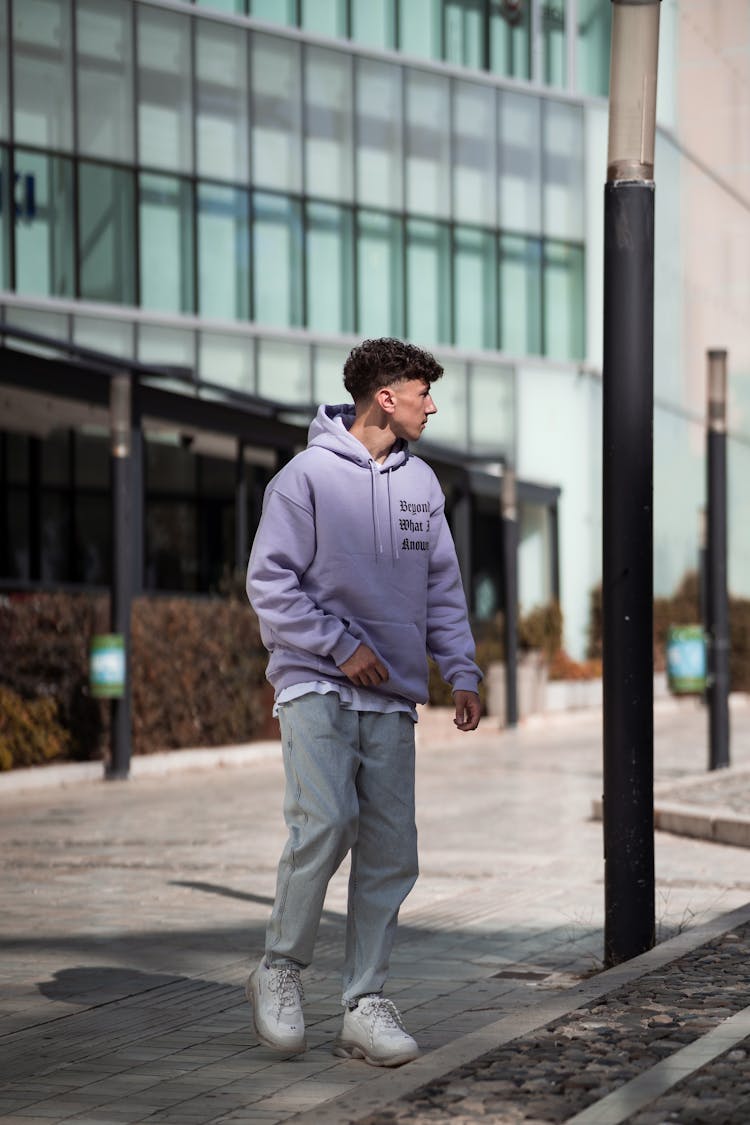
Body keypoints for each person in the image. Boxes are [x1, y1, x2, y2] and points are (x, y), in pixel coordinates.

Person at [245, 337, 481, 1067]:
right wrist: (337, 644)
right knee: (328, 822)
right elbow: (270, 583)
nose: (430, 404)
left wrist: (462, 670)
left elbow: (441, 587)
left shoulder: (424, 488)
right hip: (316, 682)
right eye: (421, 392)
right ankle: (280, 967)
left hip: (392, 697)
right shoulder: (304, 478)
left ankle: (364, 1002)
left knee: (389, 848)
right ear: (386, 396)